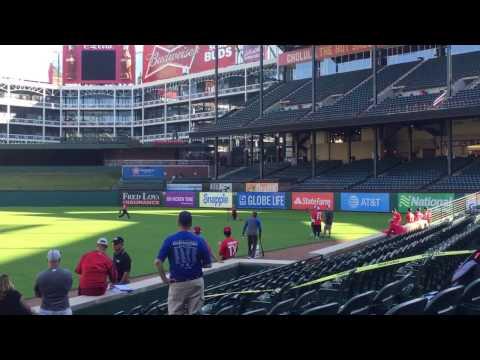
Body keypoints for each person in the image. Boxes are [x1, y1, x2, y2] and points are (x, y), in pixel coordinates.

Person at [155, 211, 212, 315]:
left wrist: (164, 279)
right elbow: (208, 264)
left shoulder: (170, 239)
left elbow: (158, 262)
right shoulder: (200, 240)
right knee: (195, 313)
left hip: (177, 284)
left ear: (178, 222)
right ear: (191, 223)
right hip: (196, 282)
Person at [34, 249, 73, 315]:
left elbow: (37, 294)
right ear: (59, 260)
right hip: (64, 310)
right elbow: (68, 288)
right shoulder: (67, 274)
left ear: (47, 260)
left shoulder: (40, 276)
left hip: (45, 310)